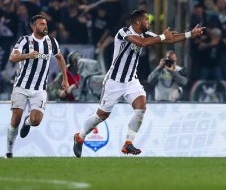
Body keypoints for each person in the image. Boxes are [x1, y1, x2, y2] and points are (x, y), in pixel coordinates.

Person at [73, 9, 204, 157]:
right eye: (146, 20)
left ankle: (128, 143)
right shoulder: (124, 33)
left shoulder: (146, 34)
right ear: (137, 22)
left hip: (131, 80)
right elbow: (142, 43)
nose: (149, 22)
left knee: (141, 106)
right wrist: (161, 36)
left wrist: (190, 34)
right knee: (101, 116)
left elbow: (169, 39)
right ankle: (80, 136)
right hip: (114, 81)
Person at [5, 15, 69, 158]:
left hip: (39, 88)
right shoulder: (24, 41)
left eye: (45, 24)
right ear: (34, 27)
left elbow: (60, 57)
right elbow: (12, 58)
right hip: (21, 85)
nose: (45, 26)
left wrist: (65, 79)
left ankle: (27, 122)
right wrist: (27, 55)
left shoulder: (52, 42)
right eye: (41, 24)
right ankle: (9, 151)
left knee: (36, 121)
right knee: (15, 119)